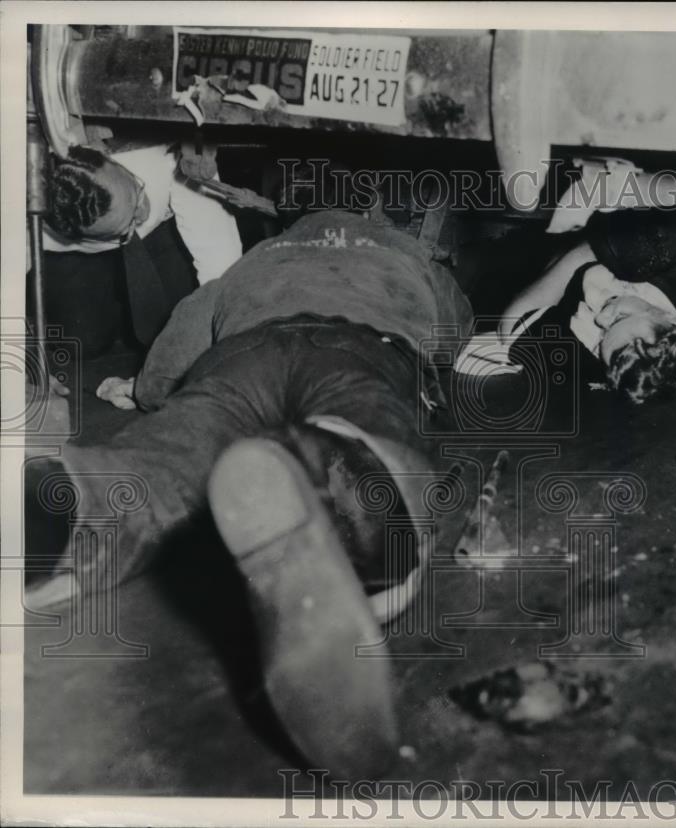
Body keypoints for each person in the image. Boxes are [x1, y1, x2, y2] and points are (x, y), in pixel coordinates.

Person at [25, 208, 473, 777]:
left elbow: (173, 353)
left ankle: (69, 505)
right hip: (358, 346)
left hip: (240, 357)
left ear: (292, 234)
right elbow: (453, 332)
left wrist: (146, 391)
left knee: (166, 454)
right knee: (364, 421)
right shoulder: (410, 259)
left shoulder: (250, 263)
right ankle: (345, 489)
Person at [488, 204, 676, 404]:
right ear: (670, 321)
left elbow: (511, 326)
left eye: (601, 339)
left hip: (577, 241)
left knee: (627, 250)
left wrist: (596, 252)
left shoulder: (585, 354)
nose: (601, 318)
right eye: (620, 315)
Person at [37, 143, 244, 353]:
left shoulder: (166, 158)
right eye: (127, 225)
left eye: (137, 193)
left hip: (162, 232)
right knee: (81, 343)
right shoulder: (31, 227)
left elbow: (221, 262)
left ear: (109, 159)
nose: (143, 214)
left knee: (172, 334)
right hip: (81, 257)